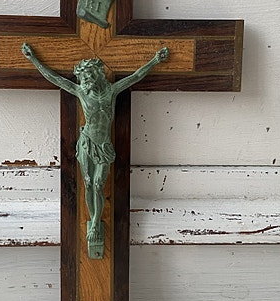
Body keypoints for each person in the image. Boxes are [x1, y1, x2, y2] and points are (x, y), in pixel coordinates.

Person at [22, 43, 169, 256]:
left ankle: (96, 221)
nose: (85, 80)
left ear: (96, 74)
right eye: (83, 78)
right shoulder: (81, 92)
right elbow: (56, 79)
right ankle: (93, 224)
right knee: (89, 183)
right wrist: (33, 59)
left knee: (99, 184)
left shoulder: (111, 91)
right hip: (87, 142)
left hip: (103, 145)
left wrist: (155, 60)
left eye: (88, 76)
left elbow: (136, 76)